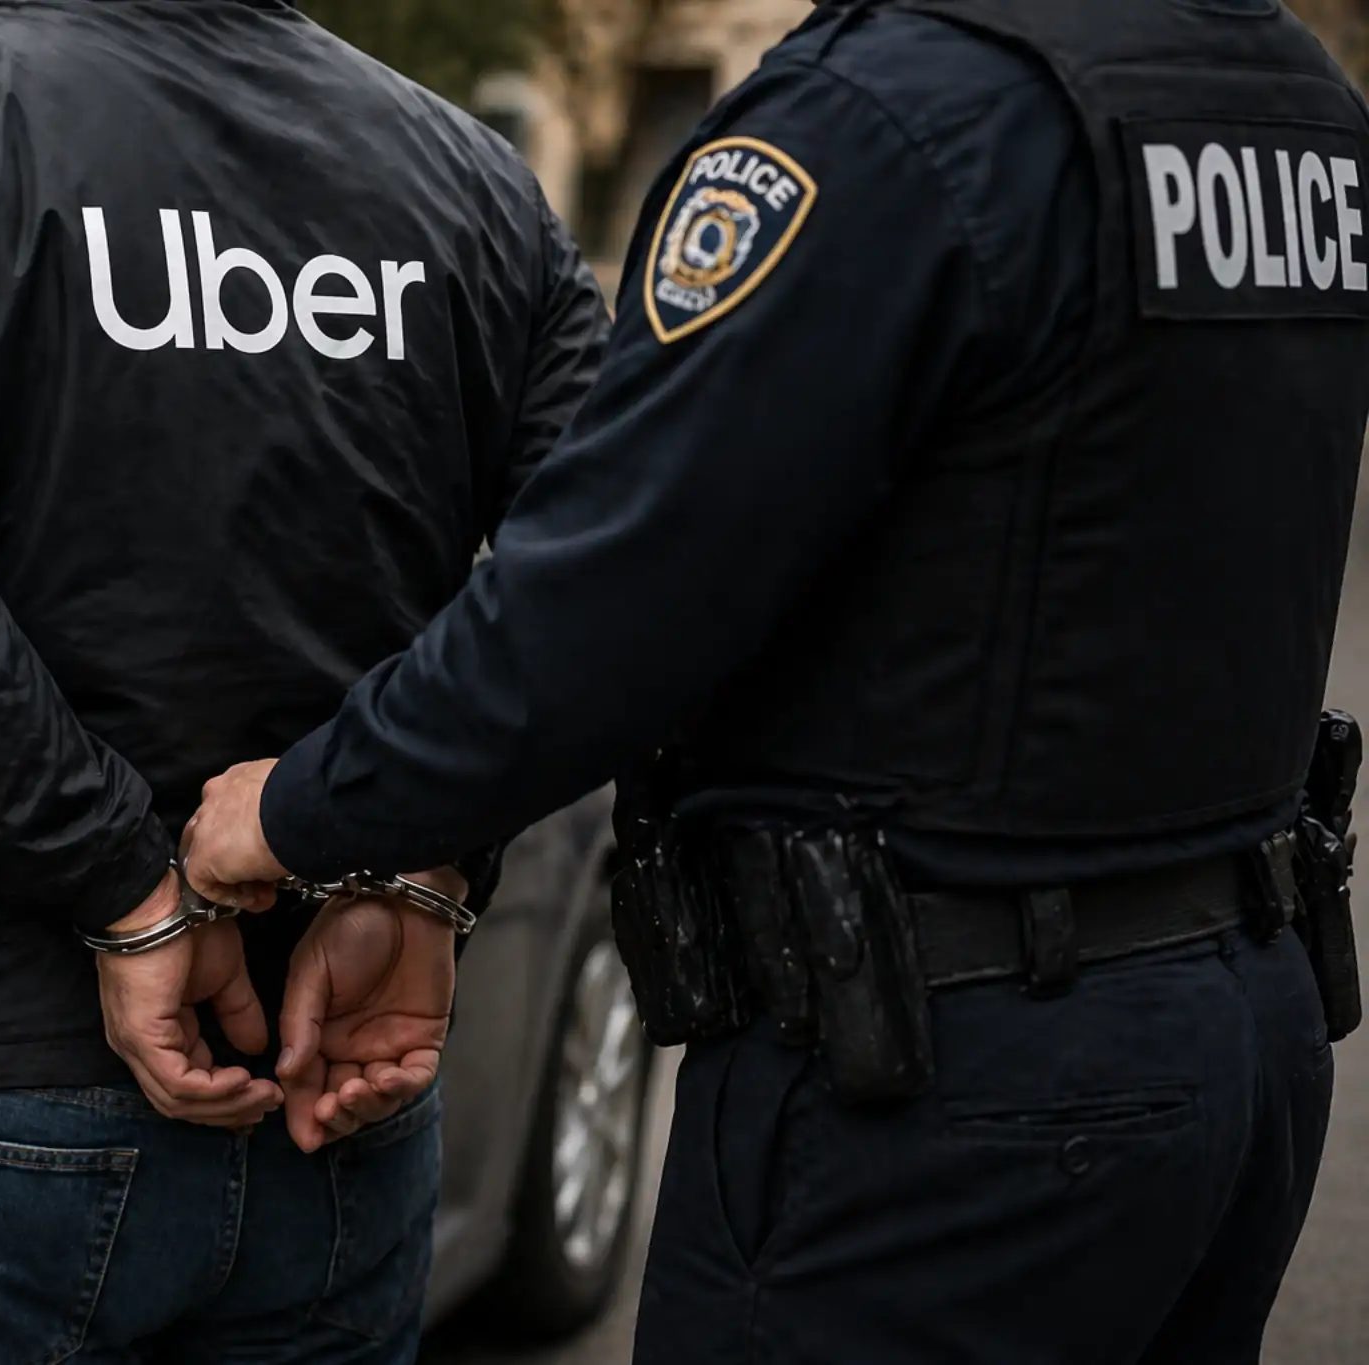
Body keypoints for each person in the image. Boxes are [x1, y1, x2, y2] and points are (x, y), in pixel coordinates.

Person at [185, 0, 1369, 1360]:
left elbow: (616, 592)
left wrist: (304, 812)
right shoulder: (1286, 95)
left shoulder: (890, 117)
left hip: (950, 1077)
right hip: (1239, 1022)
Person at [0, 0, 605, 1360]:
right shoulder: (476, 187)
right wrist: (420, 862)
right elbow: (603, 583)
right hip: (330, 1091)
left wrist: (129, 897)